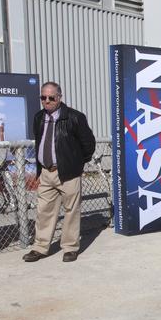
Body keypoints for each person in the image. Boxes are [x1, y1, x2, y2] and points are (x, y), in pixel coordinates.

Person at [24, 82, 95, 263]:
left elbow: (88, 144)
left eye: (51, 98)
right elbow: (40, 141)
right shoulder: (39, 117)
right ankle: (40, 247)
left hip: (68, 173)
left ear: (59, 97)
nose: (46, 101)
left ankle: (70, 247)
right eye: (43, 98)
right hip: (46, 173)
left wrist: (76, 164)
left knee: (72, 211)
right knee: (44, 211)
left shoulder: (75, 117)